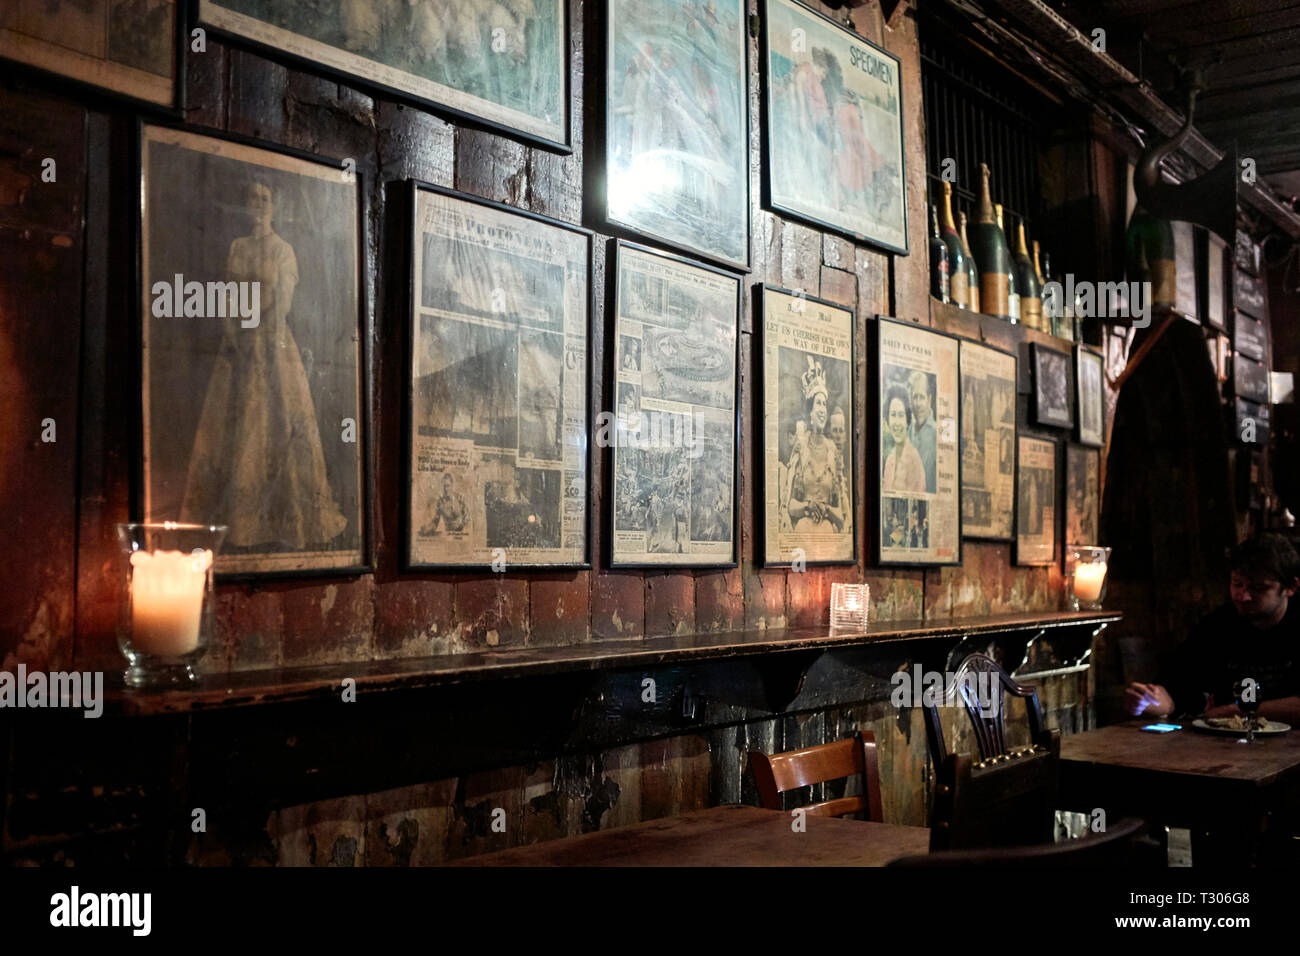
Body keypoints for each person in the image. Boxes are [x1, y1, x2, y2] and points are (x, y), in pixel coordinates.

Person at [181, 178, 347, 551]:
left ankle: (281, 520)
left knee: (276, 422)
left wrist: (255, 333)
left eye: (264, 197)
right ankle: (237, 523)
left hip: (273, 343)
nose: (257, 202)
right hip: (237, 345)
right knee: (234, 426)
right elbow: (227, 297)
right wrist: (232, 334)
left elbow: (282, 303)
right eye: (251, 196)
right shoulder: (237, 247)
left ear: (274, 205)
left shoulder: (283, 251)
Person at [1125, 534, 1300, 724]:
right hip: (1225, 745)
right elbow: (1177, 684)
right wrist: (1154, 701)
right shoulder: (1218, 626)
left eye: (1258, 588)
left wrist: (1236, 711)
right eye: (1237, 584)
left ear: (1290, 587)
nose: (1243, 596)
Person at [785, 359, 845, 533]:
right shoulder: (801, 448)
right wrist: (807, 507)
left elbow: (841, 515)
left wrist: (826, 510)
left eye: (824, 404)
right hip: (803, 533)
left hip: (827, 535)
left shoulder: (832, 452)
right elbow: (790, 506)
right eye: (818, 403)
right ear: (810, 412)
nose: (822, 409)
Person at [881, 384, 926, 494]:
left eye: (901, 415)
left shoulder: (914, 460)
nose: (897, 423)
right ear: (888, 419)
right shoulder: (889, 461)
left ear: (907, 420)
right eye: (893, 415)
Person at [908, 370, 937, 493]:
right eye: (915, 397)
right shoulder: (908, 432)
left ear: (929, 400)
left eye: (922, 397)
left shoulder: (938, 434)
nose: (918, 403)